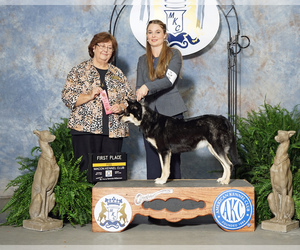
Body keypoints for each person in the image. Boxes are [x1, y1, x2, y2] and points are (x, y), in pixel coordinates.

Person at [62, 32, 134, 172]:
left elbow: (130, 99)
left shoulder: (118, 73)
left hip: (113, 132)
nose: (105, 50)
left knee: (111, 175)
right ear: (93, 47)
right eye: (102, 46)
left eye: (110, 48)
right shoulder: (78, 71)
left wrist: (121, 106)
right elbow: (67, 97)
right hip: (84, 131)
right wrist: (89, 95)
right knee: (85, 174)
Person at [136, 19, 187, 180]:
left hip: (171, 112)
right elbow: (139, 87)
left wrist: (147, 87)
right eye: (150, 32)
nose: (153, 35)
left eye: (157, 32)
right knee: (152, 159)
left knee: (172, 159)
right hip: (149, 116)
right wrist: (136, 98)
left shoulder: (174, 54)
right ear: (146, 35)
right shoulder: (142, 60)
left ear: (165, 35)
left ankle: (176, 198)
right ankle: (152, 197)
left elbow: (168, 80)